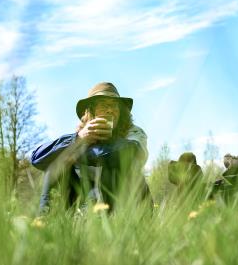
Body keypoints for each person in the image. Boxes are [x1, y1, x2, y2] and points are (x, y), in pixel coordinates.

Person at [31, 82, 150, 212]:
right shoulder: (81, 136)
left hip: (127, 204)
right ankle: (45, 220)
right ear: (90, 111)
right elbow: (37, 158)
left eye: (114, 105)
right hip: (86, 202)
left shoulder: (134, 132)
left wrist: (78, 152)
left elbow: (132, 152)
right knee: (56, 160)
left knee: (116, 162)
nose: (110, 110)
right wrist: (79, 139)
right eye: (104, 104)